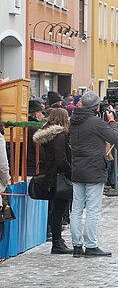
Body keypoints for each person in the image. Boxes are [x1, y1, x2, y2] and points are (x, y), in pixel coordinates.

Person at [69, 91, 118, 257]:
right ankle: (90, 245)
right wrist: (111, 122)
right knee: (92, 209)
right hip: (94, 169)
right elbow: (115, 138)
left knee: (76, 208)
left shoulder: (73, 121)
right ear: (96, 106)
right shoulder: (95, 122)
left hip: (77, 169)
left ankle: (77, 245)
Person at [32, 108, 73, 254]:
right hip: (59, 177)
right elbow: (61, 160)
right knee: (59, 211)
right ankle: (57, 243)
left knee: (55, 210)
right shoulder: (60, 136)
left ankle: (58, 240)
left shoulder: (48, 136)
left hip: (51, 176)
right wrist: (71, 171)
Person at [27, 99, 46, 176]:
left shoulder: (25, 126)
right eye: (40, 112)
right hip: (34, 167)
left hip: (24, 166)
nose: (42, 115)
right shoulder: (35, 128)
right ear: (36, 113)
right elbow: (40, 151)